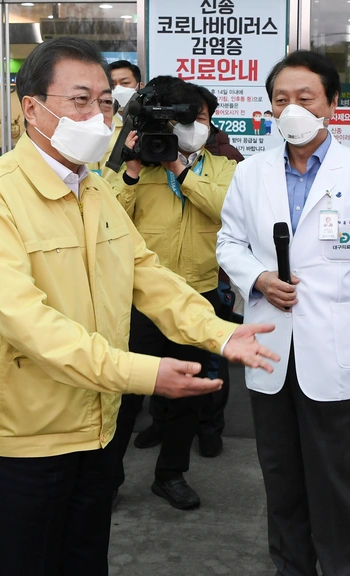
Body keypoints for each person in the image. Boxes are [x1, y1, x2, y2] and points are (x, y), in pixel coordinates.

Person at [0, 37, 277, 576]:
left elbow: (148, 274)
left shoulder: (92, 191)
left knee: (83, 563)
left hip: (94, 431)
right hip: (25, 441)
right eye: (80, 100)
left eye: (105, 102)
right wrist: (145, 373)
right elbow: (28, 325)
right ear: (33, 108)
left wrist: (217, 332)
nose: (97, 116)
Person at [217, 50, 350, 576]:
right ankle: (291, 567)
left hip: (338, 350)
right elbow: (228, 241)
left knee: (337, 479)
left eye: (304, 98)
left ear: (332, 105)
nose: (291, 108)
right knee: (280, 477)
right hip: (272, 347)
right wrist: (257, 278)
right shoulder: (251, 173)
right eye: (281, 100)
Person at [106, 77, 237, 509]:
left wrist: (181, 170)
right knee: (126, 393)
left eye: (199, 118)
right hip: (141, 299)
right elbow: (106, 219)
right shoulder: (138, 163)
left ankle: (171, 474)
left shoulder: (225, 166)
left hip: (198, 298)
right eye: (184, 119)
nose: (192, 126)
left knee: (189, 395)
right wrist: (131, 169)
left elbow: (227, 209)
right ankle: (107, 478)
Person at [86, 59, 143, 179]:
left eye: (125, 83)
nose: (118, 89)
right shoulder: (98, 127)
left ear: (140, 86)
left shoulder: (152, 123)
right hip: (111, 195)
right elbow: (91, 174)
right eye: (113, 85)